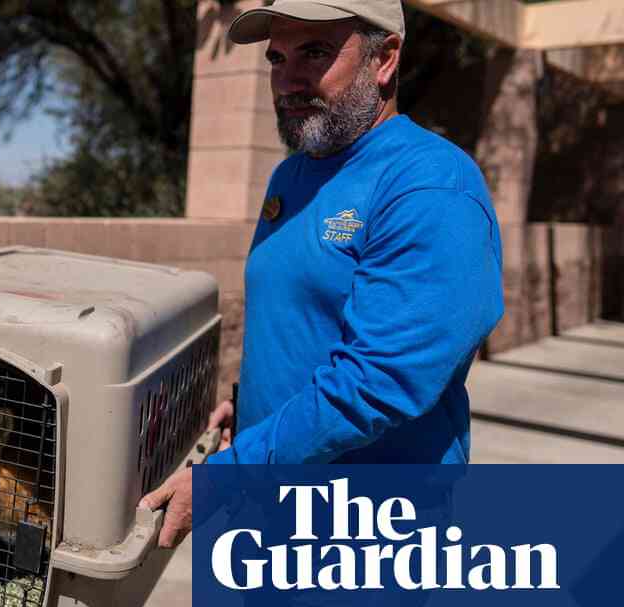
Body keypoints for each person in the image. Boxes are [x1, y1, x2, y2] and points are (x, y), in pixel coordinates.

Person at [141, 0, 502, 551]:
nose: (288, 79)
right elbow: (301, 317)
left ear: (384, 58)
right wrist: (250, 406)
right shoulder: (292, 174)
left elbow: (381, 380)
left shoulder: (429, 184)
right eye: (277, 58)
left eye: (315, 52)